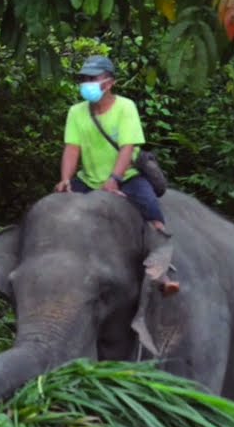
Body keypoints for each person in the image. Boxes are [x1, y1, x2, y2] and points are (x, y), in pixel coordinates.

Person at [54, 55, 180, 295]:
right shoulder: (76, 112)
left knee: (152, 209)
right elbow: (72, 148)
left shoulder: (125, 107)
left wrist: (114, 180)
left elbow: (127, 147)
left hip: (127, 176)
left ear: (110, 82)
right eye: (84, 78)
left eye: (93, 78)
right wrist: (66, 178)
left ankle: (162, 271)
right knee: (58, 212)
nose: (87, 83)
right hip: (89, 179)